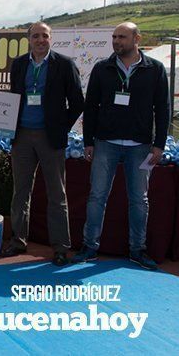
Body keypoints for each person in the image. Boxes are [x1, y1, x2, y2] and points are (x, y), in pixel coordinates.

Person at [73, 22, 170, 270]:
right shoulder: (102, 68)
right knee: (97, 197)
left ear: (137, 38)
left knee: (139, 200)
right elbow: (91, 106)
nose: (116, 41)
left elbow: (163, 108)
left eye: (122, 37)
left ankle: (137, 250)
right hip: (105, 143)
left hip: (140, 145)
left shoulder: (155, 69)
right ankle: (89, 247)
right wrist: (88, 142)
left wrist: (158, 144)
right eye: (114, 37)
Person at [0, 22, 84, 265]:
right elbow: (14, 97)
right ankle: (18, 241)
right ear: (29, 39)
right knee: (20, 192)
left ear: (51, 38)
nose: (40, 40)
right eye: (35, 36)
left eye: (44, 36)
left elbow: (78, 102)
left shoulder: (65, 64)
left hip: (50, 138)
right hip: (22, 135)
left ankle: (60, 246)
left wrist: (59, 127)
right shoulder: (19, 64)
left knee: (57, 194)